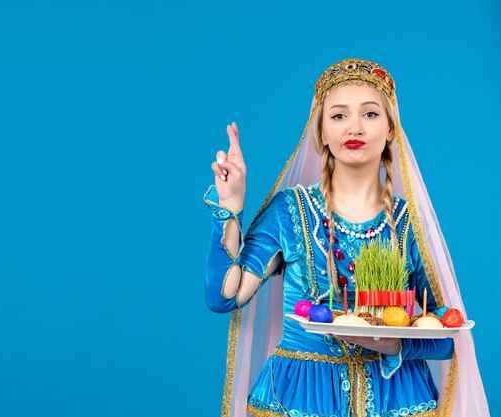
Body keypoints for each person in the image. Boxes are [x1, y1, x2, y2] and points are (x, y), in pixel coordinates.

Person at [203, 58, 489, 417]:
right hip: (300, 395)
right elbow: (225, 297)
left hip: (397, 397)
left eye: (369, 114)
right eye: (339, 116)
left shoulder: (406, 222)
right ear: (320, 131)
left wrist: (395, 346)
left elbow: (446, 331)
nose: (354, 127)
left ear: (390, 129)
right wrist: (229, 210)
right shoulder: (290, 212)